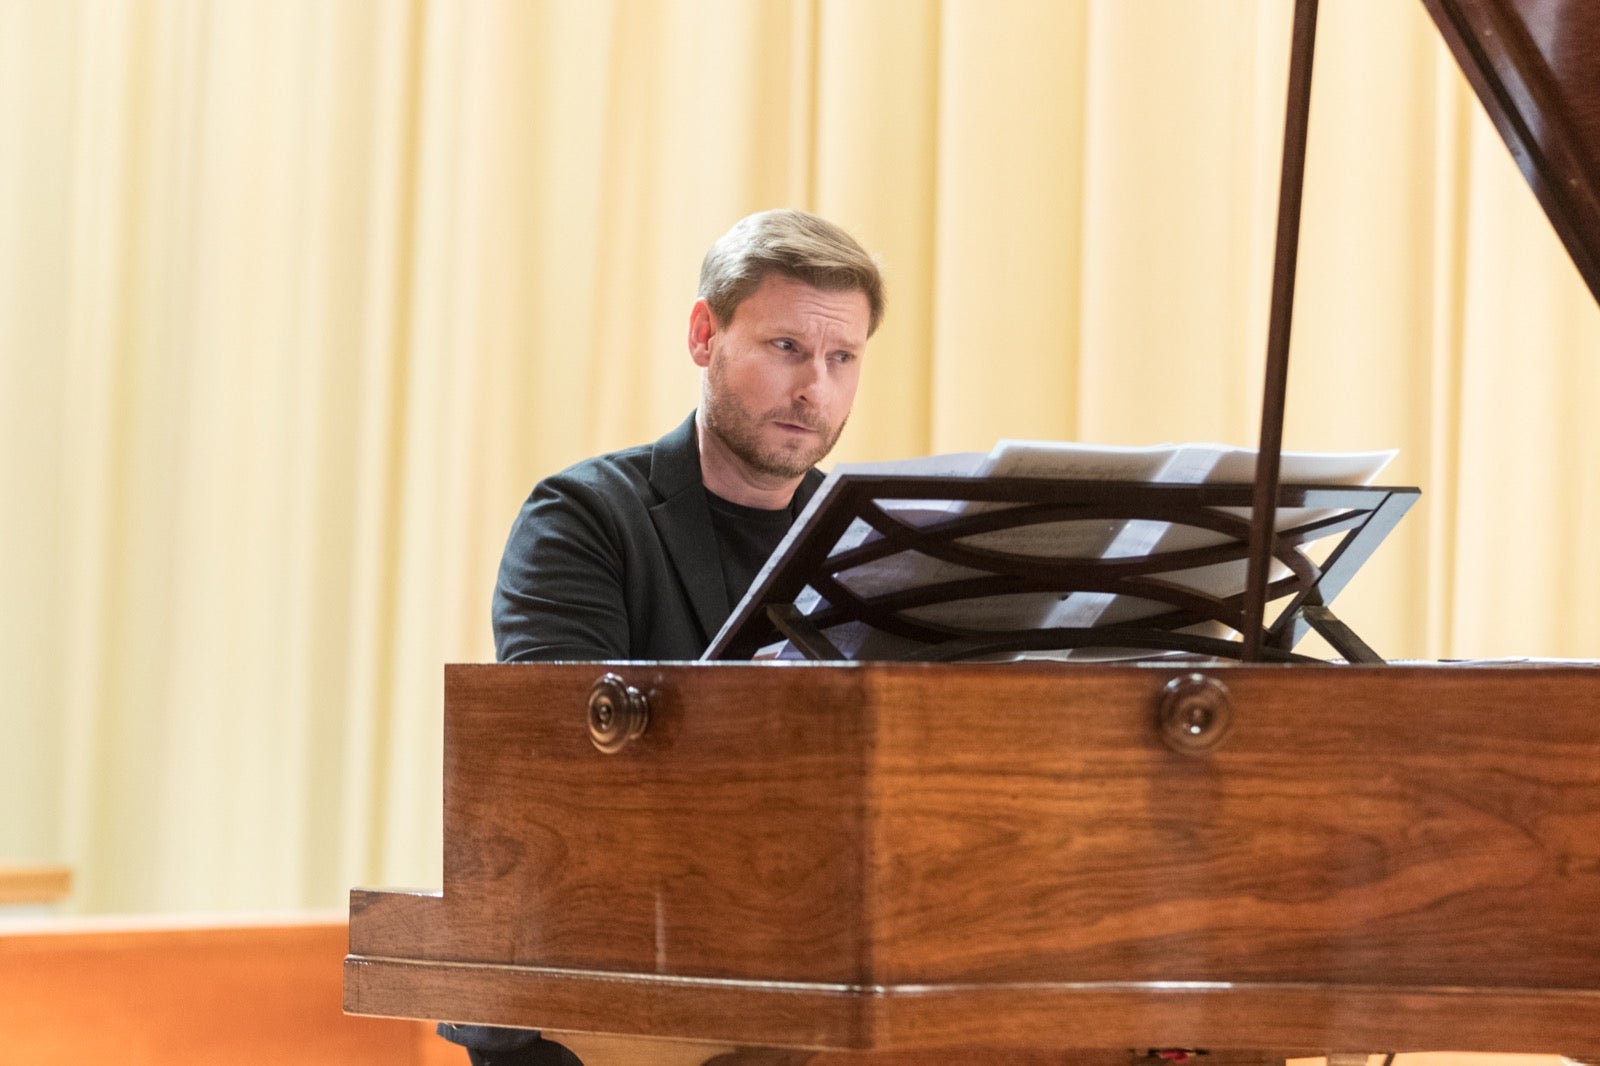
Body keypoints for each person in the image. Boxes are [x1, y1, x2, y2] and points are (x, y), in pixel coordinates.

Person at [438, 208, 886, 1065]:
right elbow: (566, 769)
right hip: (599, 970)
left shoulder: (867, 541)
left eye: (843, 359)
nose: (814, 390)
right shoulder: (582, 518)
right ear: (702, 333)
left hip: (800, 958)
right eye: (786, 347)